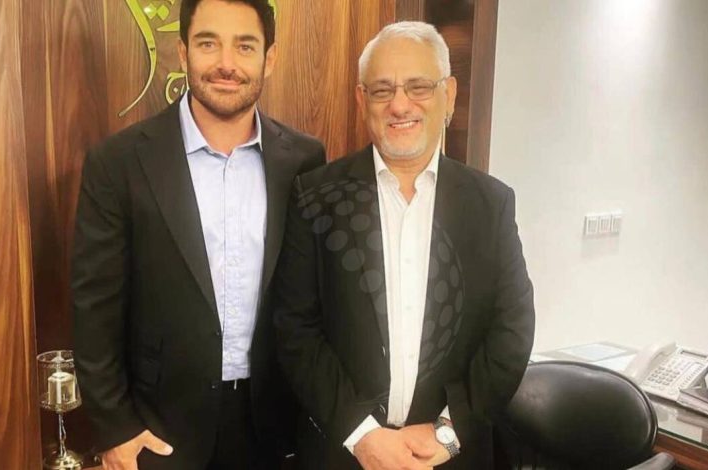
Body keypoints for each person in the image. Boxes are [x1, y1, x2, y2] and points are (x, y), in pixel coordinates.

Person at [71, 0, 325, 468]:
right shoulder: (118, 162)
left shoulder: (305, 160)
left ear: (269, 58)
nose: (226, 63)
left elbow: (309, 299)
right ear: (184, 52)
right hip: (157, 432)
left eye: (244, 46)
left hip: (274, 429)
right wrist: (115, 430)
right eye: (209, 43)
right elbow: (94, 310)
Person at [272, 21, 535, 469]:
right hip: (342, 453)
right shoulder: (314, 196)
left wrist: (448, 431)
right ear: (362, 101)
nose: (399, 104)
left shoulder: (491, 205)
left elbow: (512, 330)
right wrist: (363, 436)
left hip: (448, 457)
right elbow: (295, 330)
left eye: (419, 87)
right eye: (382, 90)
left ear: (449, 95)